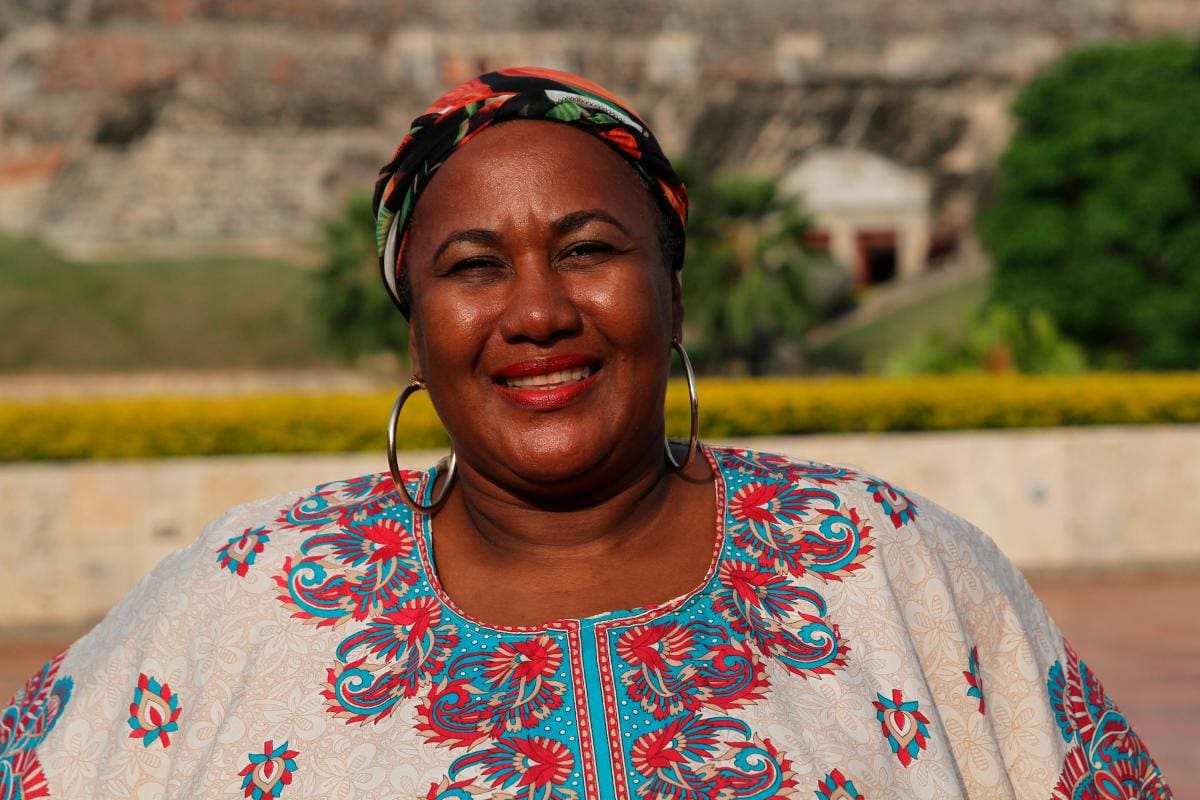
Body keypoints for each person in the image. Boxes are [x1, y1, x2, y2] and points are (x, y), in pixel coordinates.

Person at [2, 67, 1171, 799]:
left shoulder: (893, 562)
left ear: (674, 293)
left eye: (588, 249)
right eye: (471, 268)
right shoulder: (243, 595)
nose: (538, 311)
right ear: (417, 337)